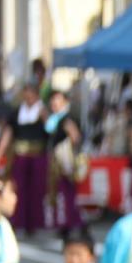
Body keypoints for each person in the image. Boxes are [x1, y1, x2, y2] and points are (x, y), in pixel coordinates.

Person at [44, 89, 86, 239]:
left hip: (64, 161)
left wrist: (67, 151)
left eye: (57, 100)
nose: (54, 103)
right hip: (57, 160)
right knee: (60, 192)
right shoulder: (55, 118)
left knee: (66, 193)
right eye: (53, 101)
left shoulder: (67, 118)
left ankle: (70, 223)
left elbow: (75, 137)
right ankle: (67, 223)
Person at [9, 83, 48, 235]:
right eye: (26, 93)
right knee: (19, 189)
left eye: (31, 93)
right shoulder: (18, 112)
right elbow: (10, 131)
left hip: (38, 155)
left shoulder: (42, 111)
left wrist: (44, 115)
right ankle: (17, 221)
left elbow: (51, 129)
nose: (28, 97)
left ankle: (33, 224)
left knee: (36, 191)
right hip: (20, 154)